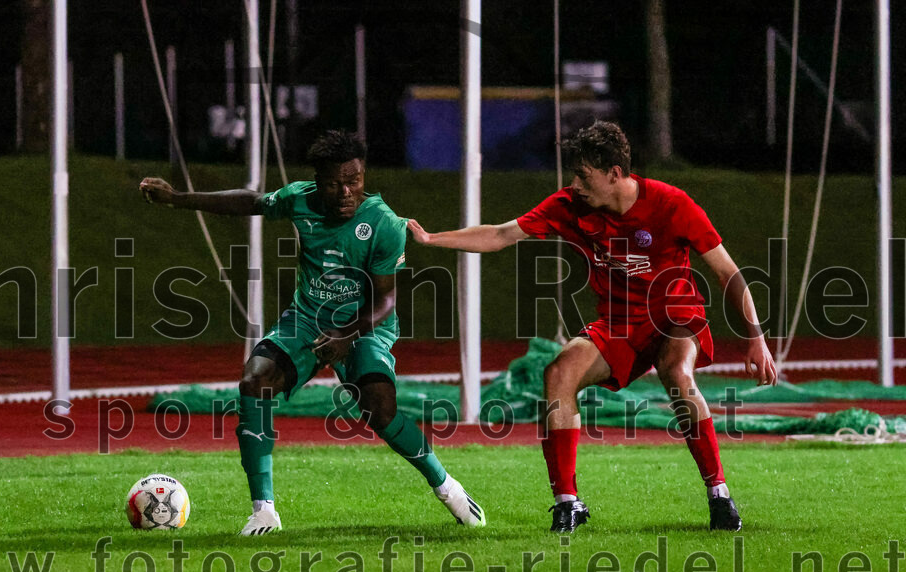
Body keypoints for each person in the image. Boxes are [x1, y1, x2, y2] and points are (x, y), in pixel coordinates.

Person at [407, 120, 776, 532]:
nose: (575, 183)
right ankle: (568, 502)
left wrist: (756, 339)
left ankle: (719, 494)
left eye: (584, 175)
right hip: (619, 323)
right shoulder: (571, 205)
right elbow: (499, 234)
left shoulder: (672, 204)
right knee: (558, 373)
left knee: (676, 372)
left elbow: (728, 273)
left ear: (615, 173)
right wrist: (432, 240)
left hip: (676, 317)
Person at [140, 130, 485, 535]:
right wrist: (179, 199)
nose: (345, 192)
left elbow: (383, 301)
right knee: (255, 382)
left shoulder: (384, 224)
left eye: (353, 180)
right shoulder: (299, 199)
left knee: (380, 409)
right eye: (333, 183)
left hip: (365, 326)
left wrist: (345, 338)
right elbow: (250, 201)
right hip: (306, 319)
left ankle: (446, 487)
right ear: (317, 180)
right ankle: (264, 509)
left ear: (363, 174)